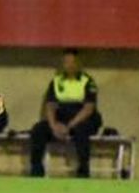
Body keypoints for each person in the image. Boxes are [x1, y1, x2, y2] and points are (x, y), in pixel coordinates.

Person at [27, 48, 101, 178]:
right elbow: (50, 106)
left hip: (82, 119)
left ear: (79, 64)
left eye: (73, 62)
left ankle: (83, 171)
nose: (70, 65)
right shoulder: (56, 81)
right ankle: (36, 170)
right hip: (61, 119)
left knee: (81, 131)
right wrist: (54, 125)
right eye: (66, 62)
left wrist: (70, 125)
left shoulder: (88, 82)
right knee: (38, 130)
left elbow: (88, 108)